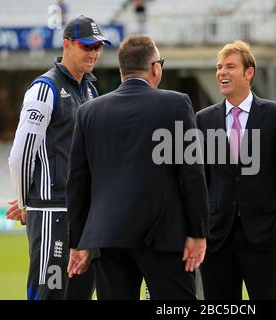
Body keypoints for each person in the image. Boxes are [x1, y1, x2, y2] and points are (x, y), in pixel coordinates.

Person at [66, 34, 209, 300]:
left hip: (106, 237)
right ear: (155, 67)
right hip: (164, 237)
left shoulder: (88, 112)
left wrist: (78, 241)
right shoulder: (176, 104)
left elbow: (77, 182)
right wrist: (198, 232)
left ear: (122, 70)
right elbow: (192, 173)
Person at [7, 15, 110, 300]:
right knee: (49, 294)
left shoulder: (90, 90)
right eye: (87, 46)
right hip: (52, 211)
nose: (94, 53)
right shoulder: (44, 88)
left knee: (79, 294)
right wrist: (26, 201)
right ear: (66, 44)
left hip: (85, 215)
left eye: (97, 47)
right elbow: (21, 153)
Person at [195, 40, 276, 300]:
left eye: (230, 66)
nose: (221, 73)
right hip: (217, 237)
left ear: (249, 72)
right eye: (219, 67)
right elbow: (199, 179)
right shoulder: (203, 119)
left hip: (264, 235)